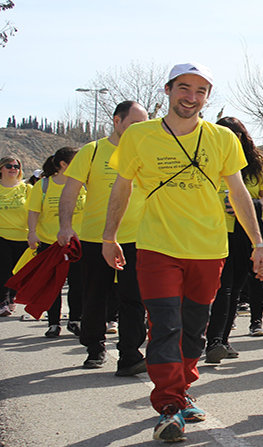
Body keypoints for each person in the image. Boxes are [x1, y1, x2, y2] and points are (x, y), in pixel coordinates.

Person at [102, 62, 263, 442]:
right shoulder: (139, 136)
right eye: (184, 88)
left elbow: (239, 192)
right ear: (167, 90)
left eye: (200, 91)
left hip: (210, 248)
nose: (191, 97)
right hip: (157, 246)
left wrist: (259, 243)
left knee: (194, 330)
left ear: (207, 98)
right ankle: (168, 406)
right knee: (165, 325)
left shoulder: (222, 138)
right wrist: (109, 236)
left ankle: (181, 392)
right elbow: (122, 187)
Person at [57, 101, 150, 374]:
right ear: (117, 121)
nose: (139, 130)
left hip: (136, 239)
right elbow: (70, 191)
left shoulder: (146, 152)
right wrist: (65, 225)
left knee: (133, 297)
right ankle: (95, 347)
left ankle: (130, 356)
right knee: (95, 295)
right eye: (134, 124)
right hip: (96, 238)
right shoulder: (93, 151)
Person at [204, 117, 263, 363]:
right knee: (220, 287)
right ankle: (213, 340)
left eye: (235, 134)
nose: (229, 139)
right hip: (210, 231)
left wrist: (250, 205)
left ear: (242, 136)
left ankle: (219, 340)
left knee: (233, 287)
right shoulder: (205, 157)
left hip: (243, 232)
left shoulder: (256, 163)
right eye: (222, 133)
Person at [27, 148, 84, 339]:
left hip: (77, 244)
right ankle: (53, 324)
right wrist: (32, 234)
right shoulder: (43, 185)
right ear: (63, 165)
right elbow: (34, 211)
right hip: (50, 243)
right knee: (53, 286)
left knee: (78, 284)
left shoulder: (83, 185)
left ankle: (75, 320)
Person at [0, 156, 29, 317]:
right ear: (1, 169)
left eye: (16, 166)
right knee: (3, 270)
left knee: (17, 272)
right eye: (9, 166)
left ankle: (12, 298)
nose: (13, 169)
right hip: (2, 234)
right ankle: (2, 302)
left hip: (23, 235)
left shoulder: (27, 189)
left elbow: (34, 212)